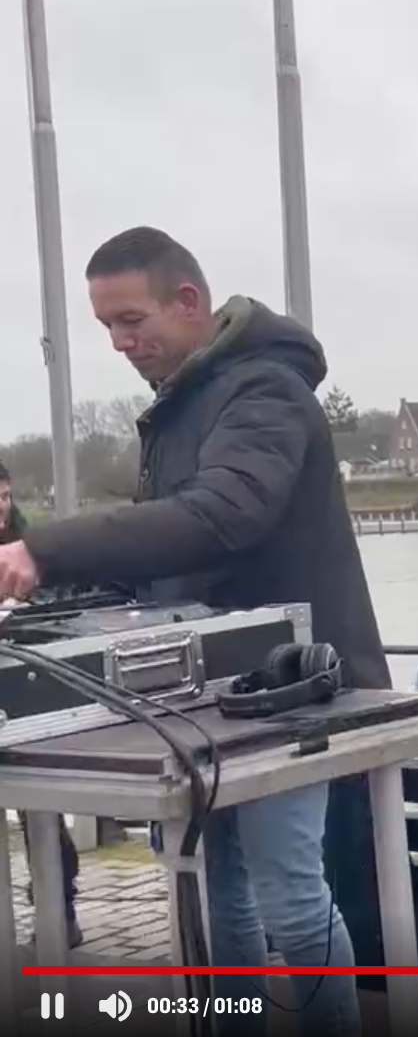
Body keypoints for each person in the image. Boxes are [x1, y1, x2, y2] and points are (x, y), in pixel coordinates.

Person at [0, 227, 373, 1036]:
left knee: (289, 898)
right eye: (106, 326)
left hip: (287, 689)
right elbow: (163, 559)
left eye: (131, 320)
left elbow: (221, 515)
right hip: (206, 702)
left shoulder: (265, 391)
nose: (119, 342)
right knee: (216, 896)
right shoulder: (179, 406)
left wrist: (44, 549)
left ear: (189, 302)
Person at [0, 460, 84, 949]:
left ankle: (59, 910)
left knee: (39, 808)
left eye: (5, 496)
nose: (1, 507)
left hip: (23, 682)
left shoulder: (25, 542)